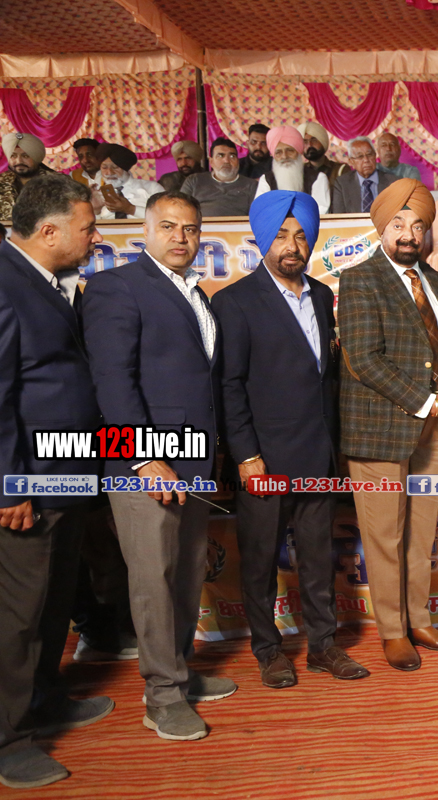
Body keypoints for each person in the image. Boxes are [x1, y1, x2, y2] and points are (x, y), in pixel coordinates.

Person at [83, 191, 235, 742]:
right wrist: (143, 457)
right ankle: (162, 697)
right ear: (145, 232)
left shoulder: (197, 294)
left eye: (190, 229)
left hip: (193, 461)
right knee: (154, 579)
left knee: (187, 573)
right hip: (145, 465)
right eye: (168, 227)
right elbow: (112, 381)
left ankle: (179, 673)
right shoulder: (115, 287)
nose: (180, 237)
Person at [213, 191, 370, 689]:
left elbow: (324, 379)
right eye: (281, 235)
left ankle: (324, 646)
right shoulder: (234, 301)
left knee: (319, 557)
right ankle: (268, 651)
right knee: (260, 560)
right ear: (263, 240)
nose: (292, 246)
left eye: (301, 236)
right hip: (264, 459)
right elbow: (229, 386)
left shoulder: (322, 296)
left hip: (316, 454)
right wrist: (247, 456)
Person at [0, 175, 111, 790]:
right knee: (17, 616)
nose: (95, 238)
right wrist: (9, 486)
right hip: (29, 484)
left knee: (52, 602)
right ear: (48, 232)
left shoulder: (43, 280)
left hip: (65, 474)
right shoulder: (4, 283)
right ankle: (8, 741)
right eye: (87, 228)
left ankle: (43, 700)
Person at [338, 179, 438, 672]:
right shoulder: (359, 279)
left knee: (421, 533)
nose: (408, 234)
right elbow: (364, 360)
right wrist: (432, 403)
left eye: (417, 226)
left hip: (432, 429)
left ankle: (419, 620)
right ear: (381, 228)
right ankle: (393, 632)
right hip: (379, 431)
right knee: (384, 537)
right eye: (398, 224)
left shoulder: (432, 279)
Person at [254, 126, 331, 214]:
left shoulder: (318, 178)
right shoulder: (266, 179)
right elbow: (261, 211)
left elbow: (320, 212)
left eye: (289, 150)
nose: (284, 156)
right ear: (274, 156)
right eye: (278, 152)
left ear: (298, 152)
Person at [180, 138, 257, 218]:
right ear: (211, 162)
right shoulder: (194, 181)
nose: (226, 161)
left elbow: (258, 217)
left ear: (237, 161)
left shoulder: (252, 185)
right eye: (220, 156)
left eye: (232, 156)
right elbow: (180, 211)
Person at [93, 144, 164, 220]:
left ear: (125, 169)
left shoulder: (152, 188)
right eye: (104, 167)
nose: (109, 173)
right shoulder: (98, 194)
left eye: (115, 167)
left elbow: (165, 216)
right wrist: (96, 211)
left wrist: (130, 209)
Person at [330, 137, 398, 214]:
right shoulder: (342, 184)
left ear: (375, 156)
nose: (366, 160)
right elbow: (339, 217)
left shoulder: (392, 182)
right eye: (360, 156)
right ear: (351, 161)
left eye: (369, 154)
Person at [0, 134, 56, 221]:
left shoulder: (57, 182)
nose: (19, 161)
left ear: (36, 158)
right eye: (13, 156)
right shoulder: (1, 181)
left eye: (25, 156)